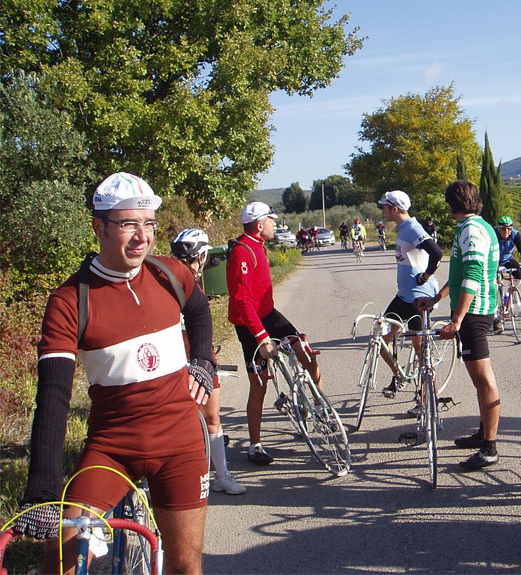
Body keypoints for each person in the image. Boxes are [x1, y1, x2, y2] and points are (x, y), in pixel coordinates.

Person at [14, 172, 215, 575]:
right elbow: (53, 397)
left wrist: (204, 362)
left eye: (149, 224)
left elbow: (198, 310)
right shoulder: (71, 301)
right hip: (112, 448)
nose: (142, 236)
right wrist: (43, 492)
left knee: (185, 566)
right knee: (60, 562)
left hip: (181, 445)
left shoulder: (171, 274)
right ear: (99, 227)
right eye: (128, 224)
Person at [227, 202, 322, 467]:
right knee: (259, 385)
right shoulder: (242, 253)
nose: (275, 225)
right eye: (271, 221)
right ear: (259, 225)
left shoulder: (258, 246)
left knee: (306, 351)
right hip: (249, 325)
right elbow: (243, 301)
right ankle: (254, 446)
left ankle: (319, 407)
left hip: (269, 314)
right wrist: (261, 337)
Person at [418, 180, 501, 470]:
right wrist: (437, 298)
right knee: (480, 381)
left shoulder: (470, 230)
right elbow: (460, 273)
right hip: (474, 311)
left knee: (483, 380)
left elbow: (474, 275)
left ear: (451, 204)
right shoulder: (478, 226)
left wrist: (457, 319)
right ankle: (483, 434)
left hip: (475, 313)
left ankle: (490, 447)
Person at [171, 228, 245, 495]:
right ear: (201, 255)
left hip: (179, 350)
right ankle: (219, 476)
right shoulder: (185, 281)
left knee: (193, 418)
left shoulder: (168, 278)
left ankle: (215, 476)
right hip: (190, 351)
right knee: (211, 417)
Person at [374, 191, 443, 402]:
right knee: (381, 341)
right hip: (402, 296)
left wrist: (427, 275)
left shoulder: (412, 227)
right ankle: (399, 376)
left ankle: (428, 396)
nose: (382, 211)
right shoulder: (403, 228)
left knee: (419, 347)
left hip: (418, 297)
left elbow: (436, 252)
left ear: (394, 209)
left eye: (384, 207)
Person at [494, 215, 521, 333]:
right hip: (494, 260)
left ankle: (509, 293)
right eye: (503, 229)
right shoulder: (493, 234)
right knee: (494, 284)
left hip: (508, 259)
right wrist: (497, 266)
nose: (506, 232)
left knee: (519, 274)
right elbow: (488, 252)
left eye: (509, 229)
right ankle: (496, 315)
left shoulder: (515, 234)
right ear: (499, 228)